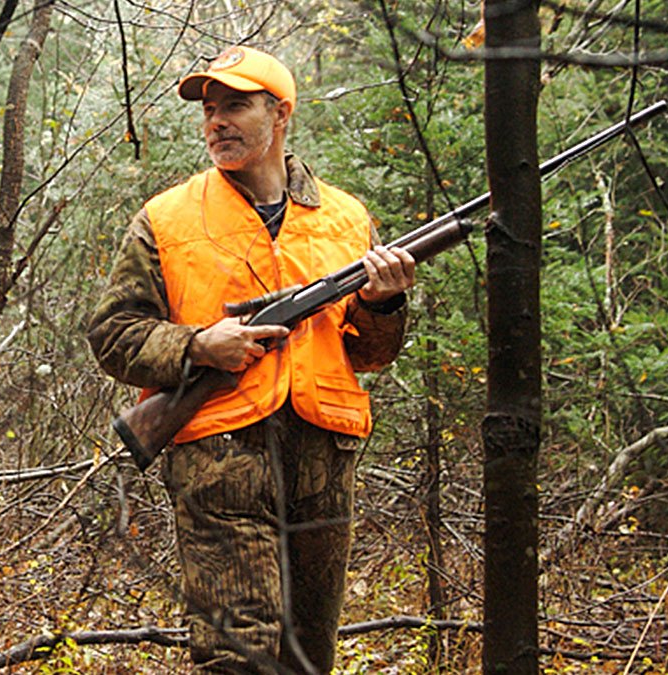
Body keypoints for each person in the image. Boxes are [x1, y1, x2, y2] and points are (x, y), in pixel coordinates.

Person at [87, 46, 415, 673]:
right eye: (209, 110)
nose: (216, 122)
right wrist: (196, 345)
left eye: (235, 105)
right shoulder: (166, 217)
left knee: (307, 655)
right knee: (235, 654)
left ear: (281, 112)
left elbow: (373, 354)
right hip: (218, 458)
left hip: (325, 457)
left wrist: (385, 302)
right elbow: (113, 335)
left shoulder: (347, 218)